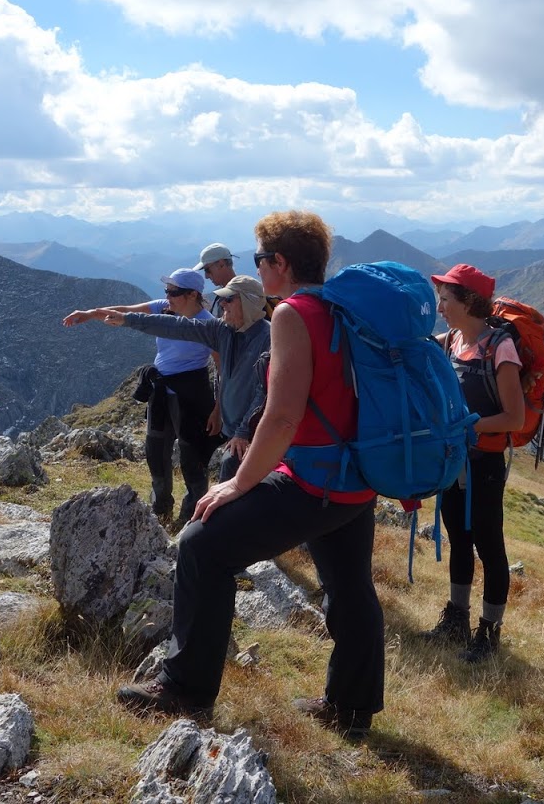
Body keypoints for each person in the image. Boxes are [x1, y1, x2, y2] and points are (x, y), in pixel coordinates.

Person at [117, 210, 383, 740]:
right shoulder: (348, 311)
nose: (258, 269)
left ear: (280, 263)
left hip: (314, 479)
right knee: (351, 586)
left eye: (261, 259)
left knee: (201, 543)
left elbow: (282, 416)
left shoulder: (294, 315)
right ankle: (352, 709)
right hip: (359, 478)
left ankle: (186, 689)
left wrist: (238, 483)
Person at [419, 263, 526, 663]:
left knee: (489, 546)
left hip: (483, 465)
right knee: (459, 539)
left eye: (446, 299)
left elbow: (514, 418)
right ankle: (456, 619)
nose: (440, 307)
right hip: (453, 462)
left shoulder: (501, 348)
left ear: (467, 301)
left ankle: (489, 632)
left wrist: (468, 427)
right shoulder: (451, 343)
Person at [63, 269, 220, 524]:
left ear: (193, 295)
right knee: (156, 452)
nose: (167, 296)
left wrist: (219, 409)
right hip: (160, 393)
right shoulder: (163, 308)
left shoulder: (207, 325)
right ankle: (161, 512)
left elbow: (221, 366)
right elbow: (125, 310)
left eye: (174, 292)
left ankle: (193, 519)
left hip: (191, 396)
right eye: (166, 291)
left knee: (193, 458)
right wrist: (91, 314)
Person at [100, 274, 271, 484]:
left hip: (255, 434)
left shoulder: (269, 338)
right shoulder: (222, 330)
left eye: (229, 299)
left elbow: (265, 392)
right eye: (223, 299)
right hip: (233, 431)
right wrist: (128, 320)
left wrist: (243, 431)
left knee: (231, 482)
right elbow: (178, 326)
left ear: (249, 302)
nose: (223, 304)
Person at [194, 243, 239, 320]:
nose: (206, 276)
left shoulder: (243, 295)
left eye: (207, 270)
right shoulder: (220, 296)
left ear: (221, 264)